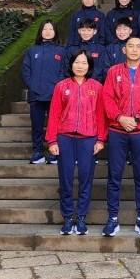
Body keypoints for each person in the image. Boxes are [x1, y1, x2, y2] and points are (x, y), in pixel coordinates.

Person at [102, 35, 140, 237]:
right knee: (114, 176)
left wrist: (137, 117)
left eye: (138, 46)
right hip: (117, 131)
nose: (134, 49)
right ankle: (112, 218)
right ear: (124, 50)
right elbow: (107, 98)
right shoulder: (113, 71)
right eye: (130, 46)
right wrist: (120, 118)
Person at [46, 50, 107, 235]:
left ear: (89, 66)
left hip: (88, 138)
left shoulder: (97, 87)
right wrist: (52, 140)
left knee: (85, 178)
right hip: (65, 137)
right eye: (77, 62)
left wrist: (101, 139)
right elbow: (54, 114)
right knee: (65, 178)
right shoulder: (61, 86)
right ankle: (67, 217)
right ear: (71, 64)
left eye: (84, 63)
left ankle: (80, 217)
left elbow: (101, 115)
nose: (80, 66)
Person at [22, 20, 66, 164]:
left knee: (56, 125)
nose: (48, 31)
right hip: (36, 95)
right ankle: (38, 152)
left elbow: (64, 71)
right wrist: (32, 86)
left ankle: (55, 153)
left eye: (51, 29)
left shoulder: (61, 51)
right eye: (45, 29)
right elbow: (26, 71)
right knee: (37, 125)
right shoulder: (32, 50)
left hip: (55, 95)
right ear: (40, 32)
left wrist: (58, 88)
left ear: (55, 32)